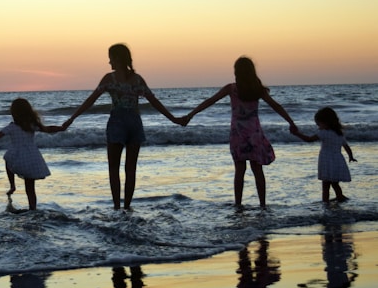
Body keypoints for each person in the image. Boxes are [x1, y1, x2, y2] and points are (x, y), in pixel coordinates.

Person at [62, 43, 185, 210]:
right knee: (130, 169)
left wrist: (72, 118)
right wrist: (173, 118)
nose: (109, 62)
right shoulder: (137, 79)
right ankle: (126, 206)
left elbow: (91, 100)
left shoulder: (109, 79)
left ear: (117, 58)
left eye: (111, 58)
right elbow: (154, 101)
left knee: (114, 168)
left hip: (117, 123)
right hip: (134, 122)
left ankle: (116, 207)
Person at [183, 56, 297, 208]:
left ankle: (238, 205)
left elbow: (210, 101)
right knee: (257, 170)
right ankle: (262, 204)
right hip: (254, 134)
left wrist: (191, 114)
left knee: (240, 171)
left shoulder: (231, 88)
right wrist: (290, 122)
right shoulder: (257, 90)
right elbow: (276, 106)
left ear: (237, 72)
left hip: (238, 134)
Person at [0, 98, 63, 210]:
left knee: (7, 159)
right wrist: (62, 128)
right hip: (32, 157)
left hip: (18, 157)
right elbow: (48, 129)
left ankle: (12, 185)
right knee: (30, 188)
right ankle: (32, 208)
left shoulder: (12, 127)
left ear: (14, 113)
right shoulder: (31, 125)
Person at [291, 107, 356, 203]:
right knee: (335, 183)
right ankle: (340, 197)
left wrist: (297, 134)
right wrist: (351, 157)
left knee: (325, 185)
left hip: (326, 161)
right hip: (337, 160)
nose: (318, 126)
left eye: (319, 123)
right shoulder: (339, 134)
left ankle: (325, 202)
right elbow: (346, 146)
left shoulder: (323, 133)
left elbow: (309, 139)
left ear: (326, 122)